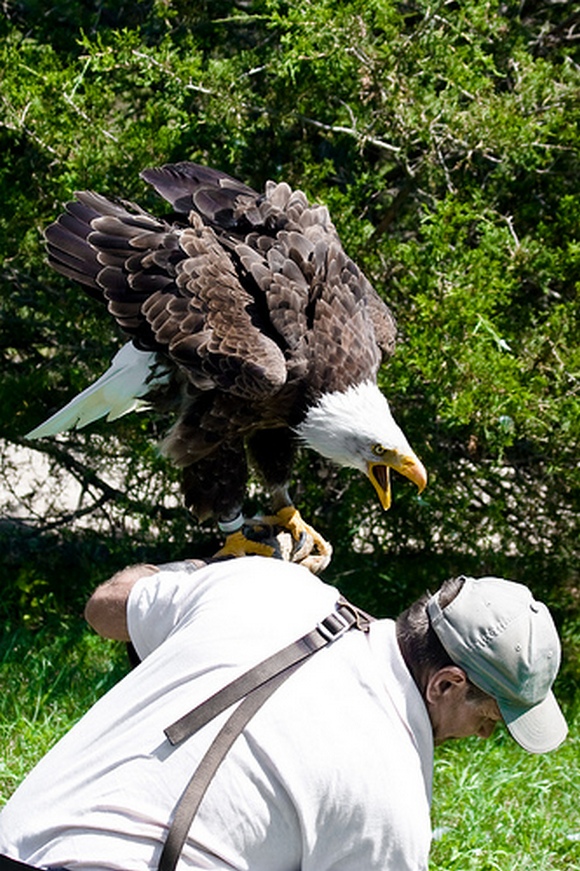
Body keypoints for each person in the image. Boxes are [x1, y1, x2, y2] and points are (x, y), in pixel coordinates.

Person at [0, 555, 568, 871]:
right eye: (489, 720)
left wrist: (203, 575)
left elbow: (105, 608)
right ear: (446, 684)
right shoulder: (393, 808)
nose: (483, 736)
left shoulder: (267, 582)